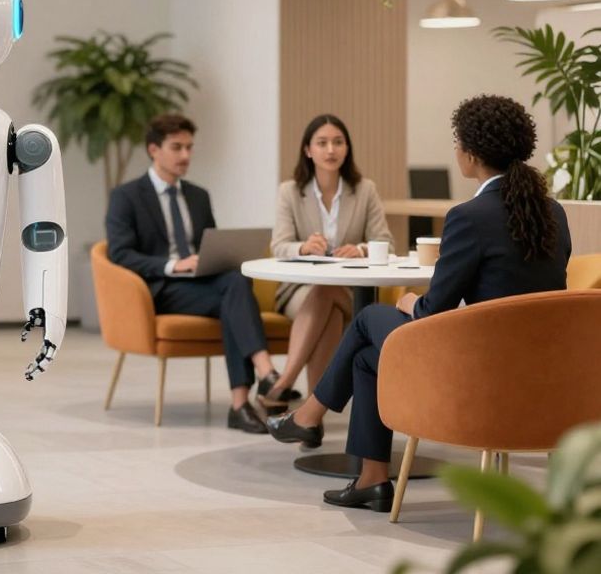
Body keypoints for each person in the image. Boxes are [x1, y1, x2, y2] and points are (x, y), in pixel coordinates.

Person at [267, 95, 571, 511]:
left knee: (369, 318)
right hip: (545, 375)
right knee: (368, 357)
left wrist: (411, 302)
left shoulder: (469, 216)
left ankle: (309, 416)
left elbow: (433, 314)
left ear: (470, 153)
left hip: (479, 375)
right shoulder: (553, 212)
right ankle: (370, 477)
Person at [107, 114, 290, 433]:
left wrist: (220, 257)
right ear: (154, 150)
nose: (185, 156)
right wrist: (172, 265)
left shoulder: (198, 195)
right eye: (176, 147)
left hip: (201, 284)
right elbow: (120, 253)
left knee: (234, 285)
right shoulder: (127, 196)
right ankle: (261, 378)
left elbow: (211, 245)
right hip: (162, 288)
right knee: (234, 295)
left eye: (189, 147)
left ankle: (243, 401)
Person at [264, 114, 393, 407]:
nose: (331, 150)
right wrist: (305, 247)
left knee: (328, 292)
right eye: (322, 143)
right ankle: (312, 414)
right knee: (326, 303)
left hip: (351, 292)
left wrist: (360, 249)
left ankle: (283, 383)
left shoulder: (364, 190)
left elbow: (386, 241)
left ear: (347, 148)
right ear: (308, 150)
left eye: (338, 142)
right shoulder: (290, 192)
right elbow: (279, 245)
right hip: (298, 291)